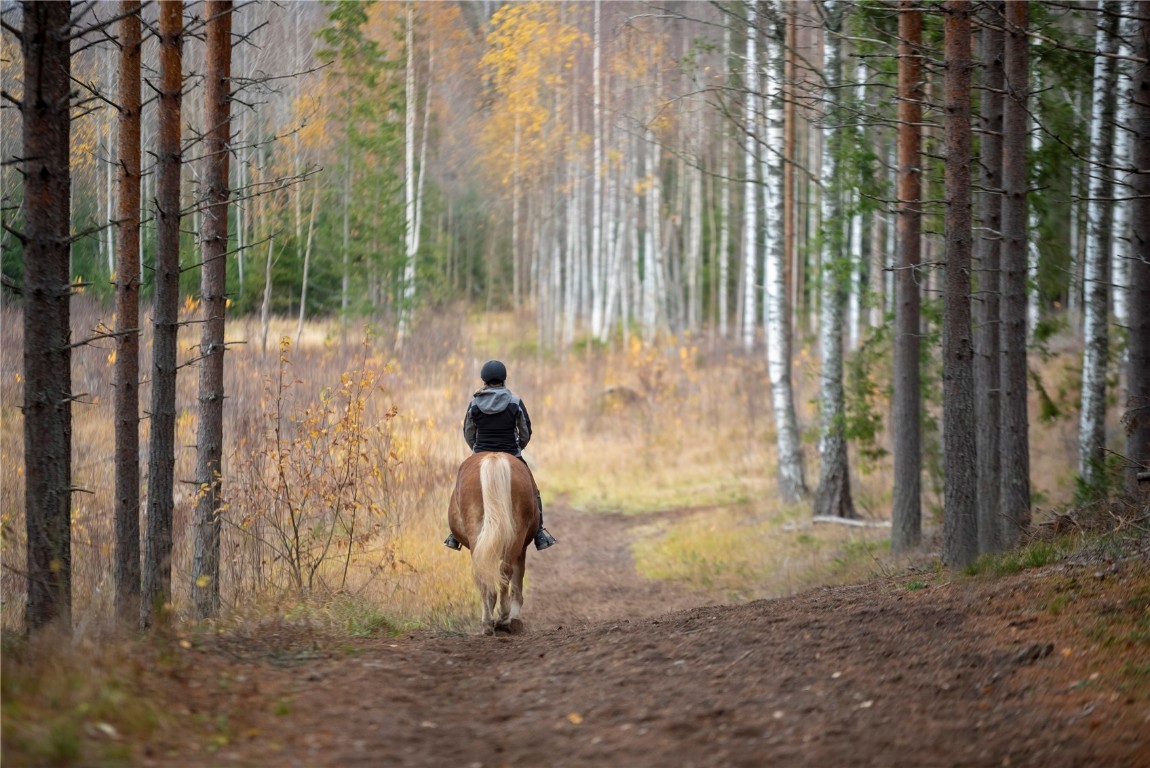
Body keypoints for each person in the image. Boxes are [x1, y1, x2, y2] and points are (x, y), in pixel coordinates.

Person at [444, 360, 558, 552]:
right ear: (504, 379)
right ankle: (539, 533)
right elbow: (526, 432)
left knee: (459, 488)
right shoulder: (515, 402)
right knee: (533, 491)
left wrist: (476, 451)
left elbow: (468, 432)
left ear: (484, 380)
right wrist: (518, 449)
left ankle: (455, 534)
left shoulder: (474, 403)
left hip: (480, 451)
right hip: (511, 452)